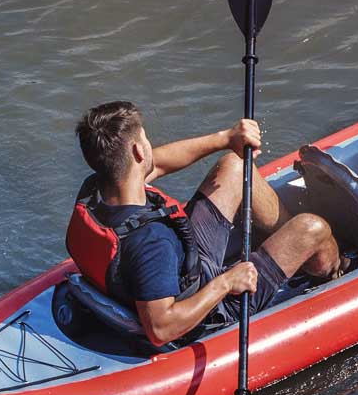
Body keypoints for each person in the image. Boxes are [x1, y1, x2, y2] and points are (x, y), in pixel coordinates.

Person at [67, 102, 340, 347]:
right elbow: (161, 329)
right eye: (146, 139)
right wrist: (226, 282)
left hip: (188, 265)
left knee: (235, 165)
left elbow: (158, 162)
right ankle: (336, 271)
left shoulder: (97, 190)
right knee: (312, 228)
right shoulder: (152, 243)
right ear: (139, 151)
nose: (151, 146)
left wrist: (226, 139)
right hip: (207, 308)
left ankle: (283, 240)